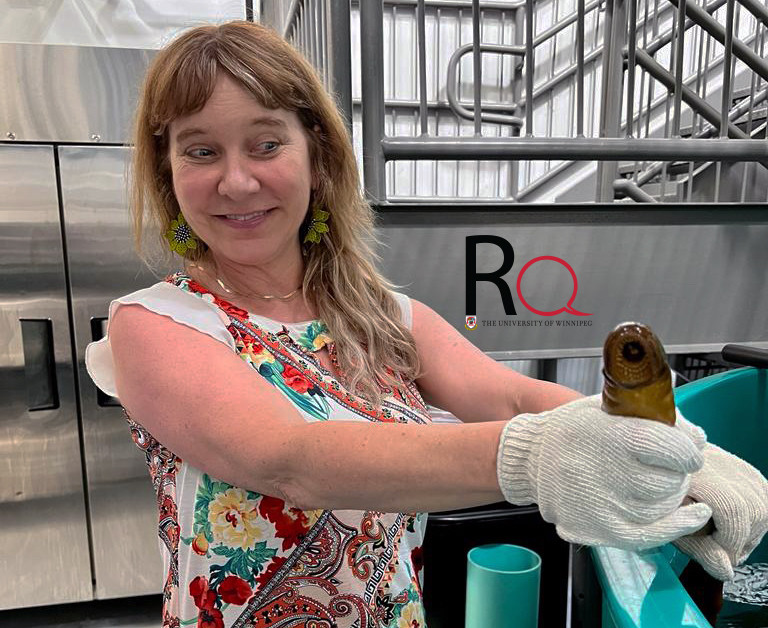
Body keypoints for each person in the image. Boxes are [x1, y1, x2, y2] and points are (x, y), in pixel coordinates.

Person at [85, 20, 768, 628]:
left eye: (265, 144)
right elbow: (290, 460)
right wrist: (536, 458)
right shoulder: (155, 324)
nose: (236, 182)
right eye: (201, 151)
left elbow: (509, 396)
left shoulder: (376, 311)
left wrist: (681, 448)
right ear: (168, 171)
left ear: (317, 157)